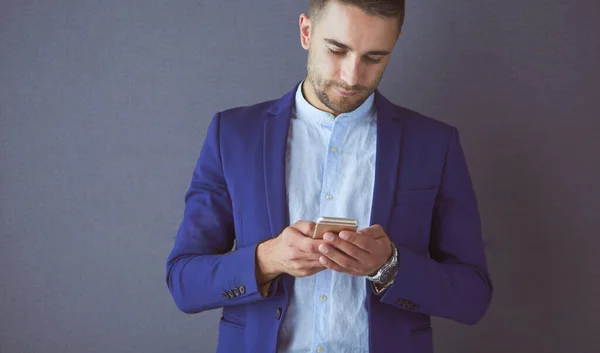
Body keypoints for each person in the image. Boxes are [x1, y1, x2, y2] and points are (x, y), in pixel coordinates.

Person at [165, 1, 493, 352]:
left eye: (374, 58)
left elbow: (472, 296)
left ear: (395, 43)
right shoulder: (232, 135)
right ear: (306, 31)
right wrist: (267, 260)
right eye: (337, 50)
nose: (352, 77)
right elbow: (184, 283)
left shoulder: (434, 144)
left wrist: (389, 266)